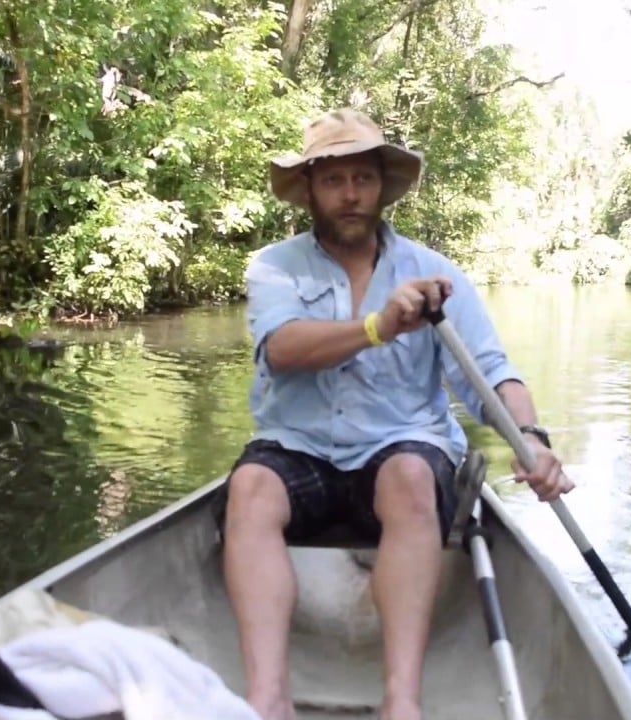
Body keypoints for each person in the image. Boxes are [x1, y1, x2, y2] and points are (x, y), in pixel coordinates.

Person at [215, 107, 575, 720]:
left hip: (399, 449)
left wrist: (532, 439)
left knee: (411, 478)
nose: (350, 195)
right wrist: (380, 326)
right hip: (299, 447)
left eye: (362, 179)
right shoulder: (274, 265)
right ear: (309, 190)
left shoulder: (434, 274)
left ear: (382, 185)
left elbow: (490, 373)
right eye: (333, 181)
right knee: (249, 487)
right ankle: (269, 701)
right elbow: (283, 348)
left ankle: (400, 703)